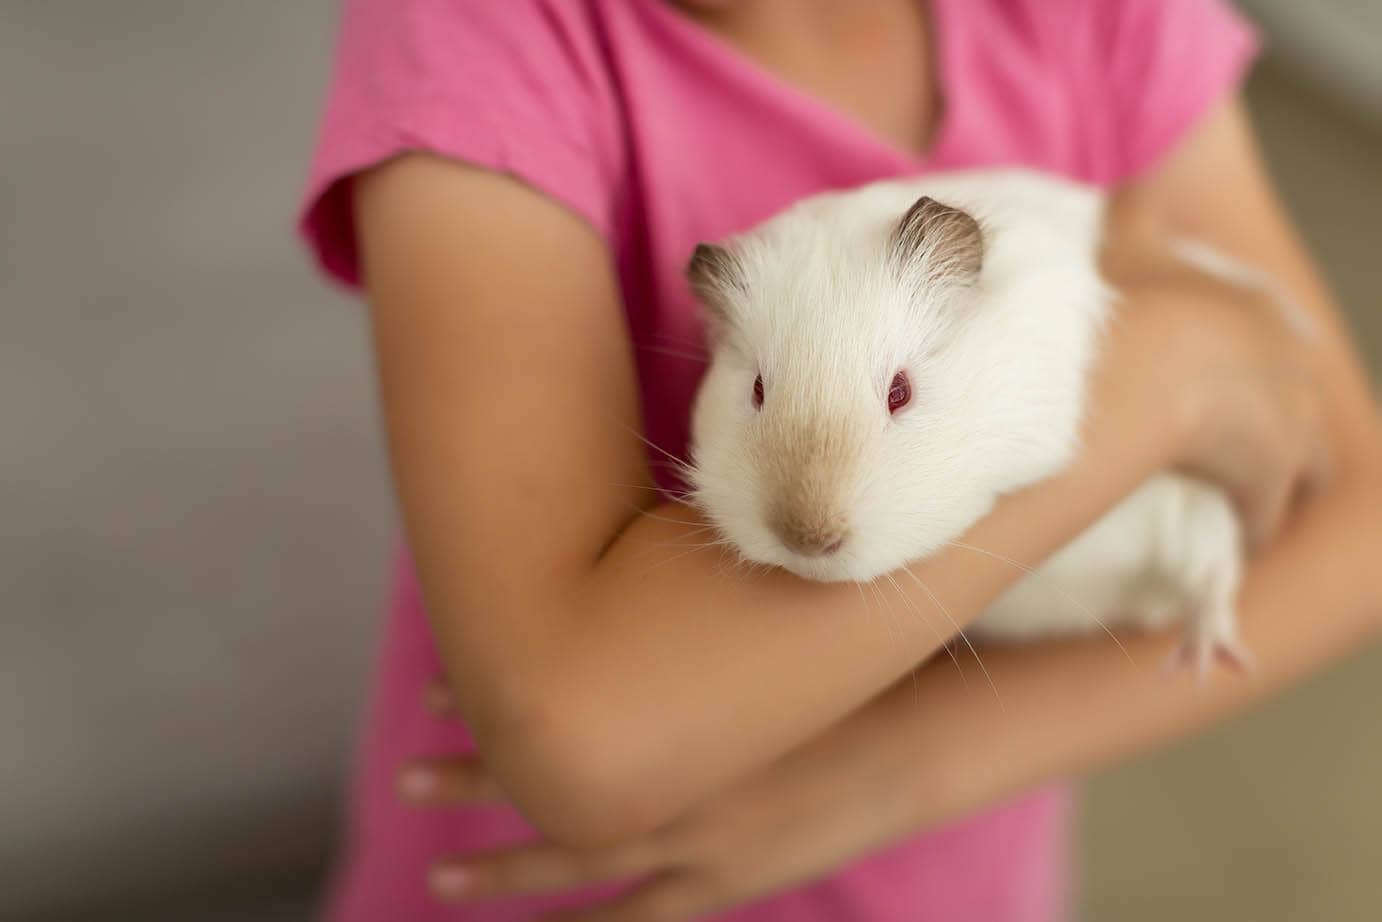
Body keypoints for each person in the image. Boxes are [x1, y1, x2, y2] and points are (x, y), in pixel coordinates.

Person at [297, 1, 1382, 919]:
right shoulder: (478, 31)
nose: (813, 516)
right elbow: (579, 739)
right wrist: (1164, 370)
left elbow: (1355, 522)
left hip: (950, 862)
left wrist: (893, 772)